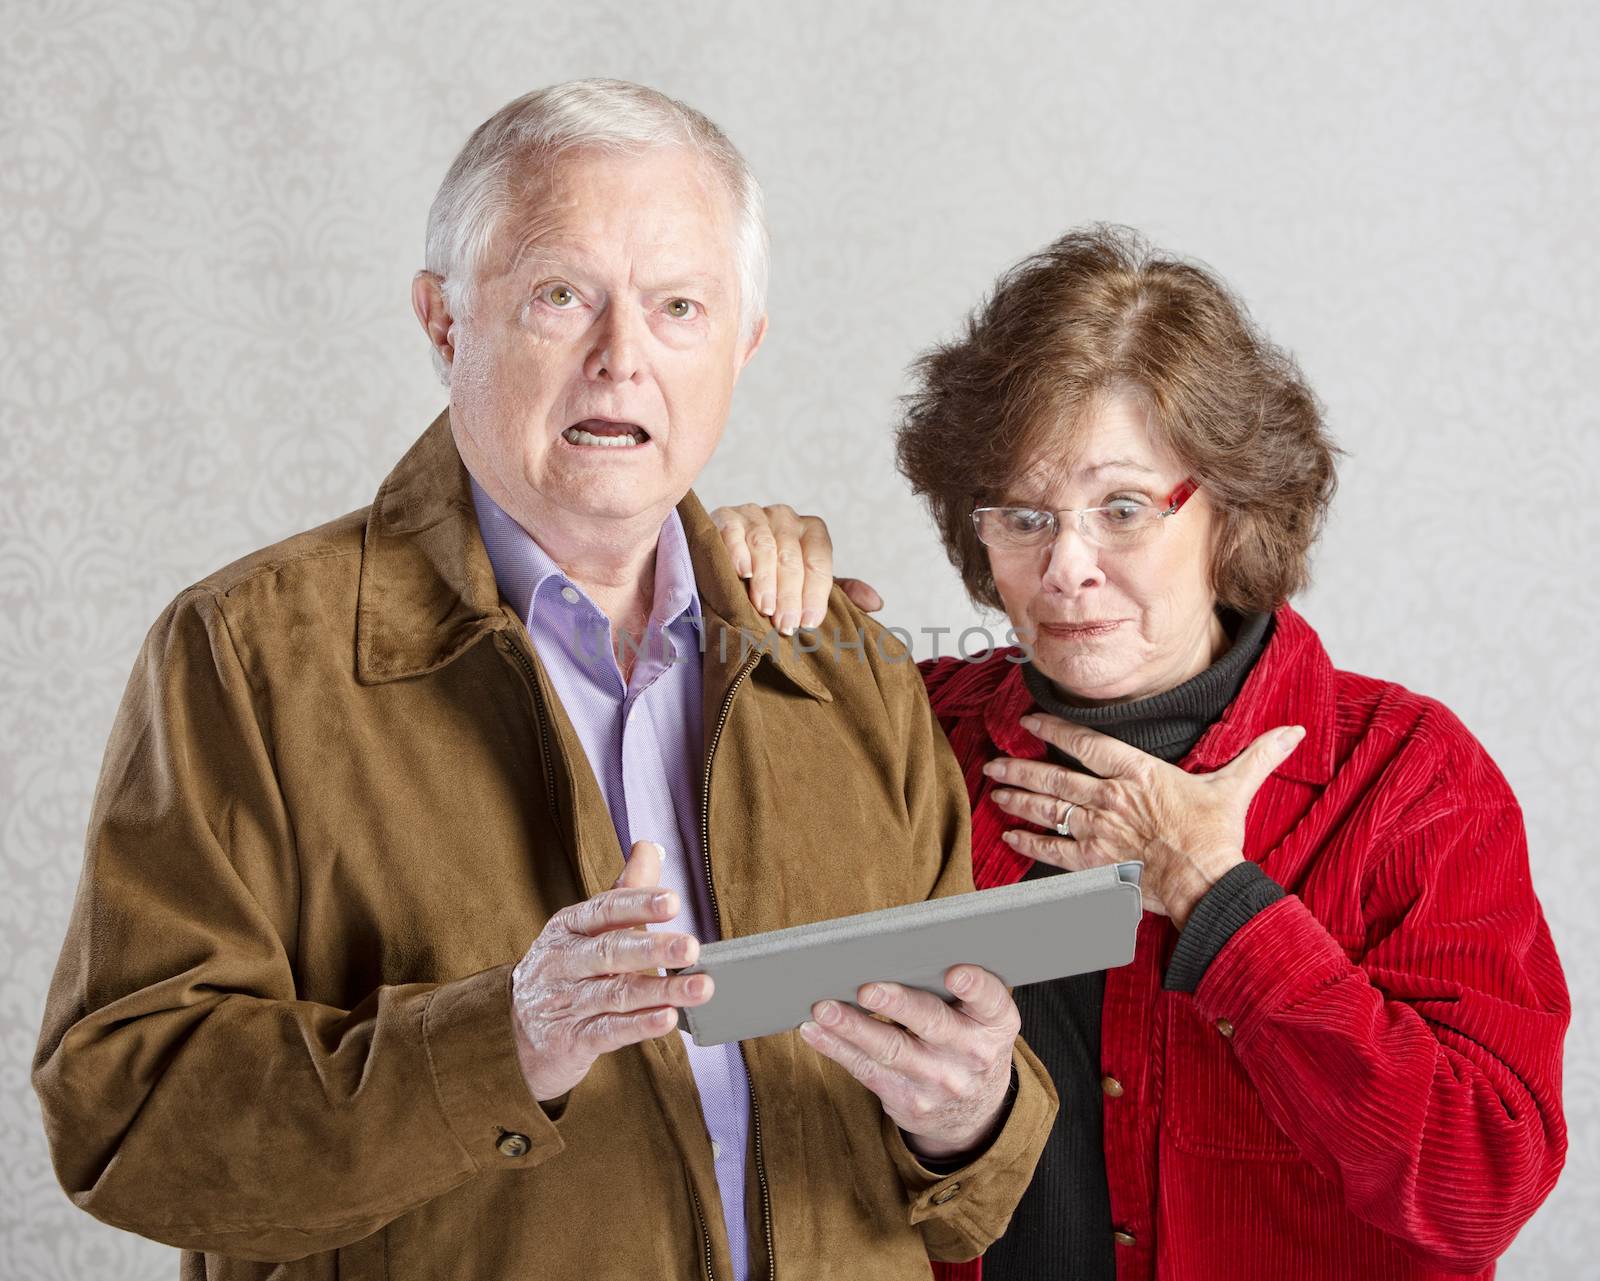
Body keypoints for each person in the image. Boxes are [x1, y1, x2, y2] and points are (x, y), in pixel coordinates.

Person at [31, 80, 1059, 1281]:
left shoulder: (847, 668)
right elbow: (127, 1125)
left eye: (678, 308)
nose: (622, 360)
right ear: (443, 321)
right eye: (561, 297)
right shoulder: (248, 656)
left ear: (742, 347)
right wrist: (503, 1041)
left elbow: (965, 1198)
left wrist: (969, 1114)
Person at [711, 225, 1570, 1280]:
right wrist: (727, 595)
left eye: (1122, 509)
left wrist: (1218, 898)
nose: (1066, 567)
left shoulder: (1408, 782)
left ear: (1231, 508)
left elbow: (1474, 1188)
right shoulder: (909, 734)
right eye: (1024, 516)